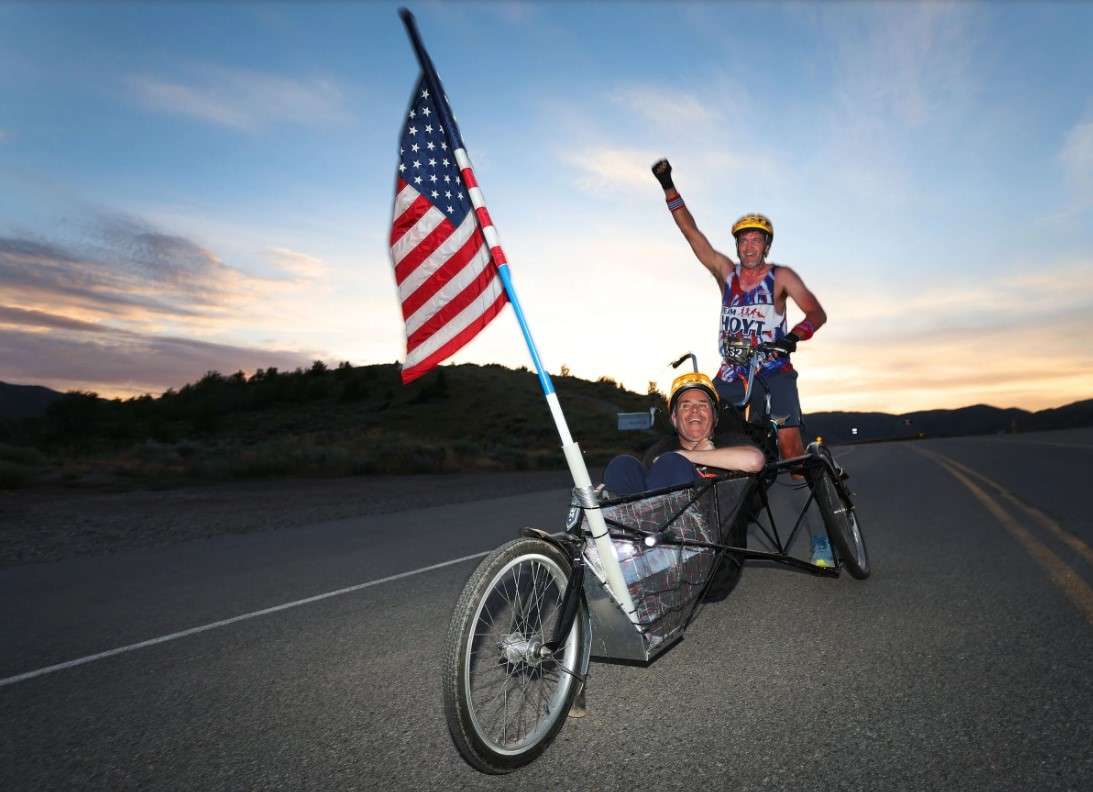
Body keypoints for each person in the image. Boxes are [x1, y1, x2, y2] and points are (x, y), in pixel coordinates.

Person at [651, 158, 834, 566]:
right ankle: (706, 524)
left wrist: (792, 338)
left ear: (766, 245)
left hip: (774, 372)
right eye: (742, 240)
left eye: (756, 240)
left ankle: (821, 537)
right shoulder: (726, 274)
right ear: (737, 245)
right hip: (733, 373)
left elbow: (816, 315)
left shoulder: (782, 277)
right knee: (704, 434)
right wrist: (668, 184)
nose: (749, 246)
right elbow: (691, 234)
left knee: (790, 453)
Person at [603, 371, 765, 496]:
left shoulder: (730, 441)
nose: (694, 410)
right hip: (654, 525)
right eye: (685, 406)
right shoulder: (662, 448)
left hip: (711, 529)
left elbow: (754, 461)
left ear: (715, 418)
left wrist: (687, 455)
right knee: (622, 465)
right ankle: (620, 534)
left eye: (703, 405)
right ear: (674, 419)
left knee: (671, 463)